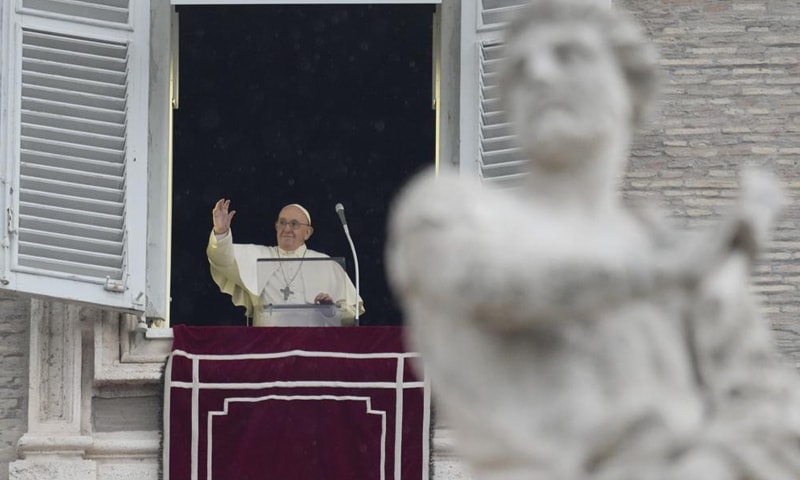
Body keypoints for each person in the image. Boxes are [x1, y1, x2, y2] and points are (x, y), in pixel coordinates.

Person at [386, 1, 799, 479]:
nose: (538, 74)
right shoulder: (458, 212)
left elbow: (771, 413)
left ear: (630, 85)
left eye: (569, 54)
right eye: (519, 67)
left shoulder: (679, 254)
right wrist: (671, 271)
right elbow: (492, 286)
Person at [207, 199, 363, 326]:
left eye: (294, 224)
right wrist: (221, 232)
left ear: (307, 232)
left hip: (314, 352)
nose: (287, 228)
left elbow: (351, 316)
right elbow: (222, 260)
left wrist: (331, 310)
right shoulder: (258, 255)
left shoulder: (327, 265)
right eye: (282, 223)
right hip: (269, 350)